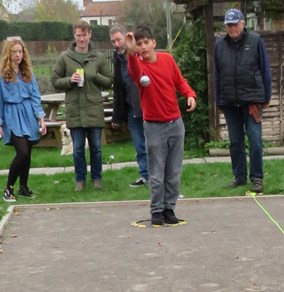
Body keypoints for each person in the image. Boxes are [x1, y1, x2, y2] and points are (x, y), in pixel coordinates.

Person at [125, 25, 197, 225]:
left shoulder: (167, 59)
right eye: (139, 45)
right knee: (156, 172)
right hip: (154, 126)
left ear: (154, 42)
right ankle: (156, 211)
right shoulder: (139, 66)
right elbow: (133, 68)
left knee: (174, 170)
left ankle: (169, 208)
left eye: (146, 42)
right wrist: (130, 51)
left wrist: (190, 94)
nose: (143, 47)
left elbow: (180, 81)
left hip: (175, 123)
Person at [214, 9, 272, 193]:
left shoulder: (256, 41)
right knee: (235, 142)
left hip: (252, 100)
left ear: (242, 24)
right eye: (229, 25)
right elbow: (217, 75)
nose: (232, 28)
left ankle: (257, 178)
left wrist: (267, 97)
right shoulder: (219, 45)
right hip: (230, 102)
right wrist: (219, 100)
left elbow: (266, 70)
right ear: (225, 26)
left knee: (255, 141)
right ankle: (239, 177)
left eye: (235, 24)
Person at [51, 20, 113, 191]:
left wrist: (95, 76)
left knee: (96, 148)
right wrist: (70, 80)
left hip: (93, 109)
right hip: (74, 109)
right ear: (74, 35)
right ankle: (80, 180)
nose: (81, 39)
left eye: (84, 35)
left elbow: (109, 81)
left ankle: (97, 179)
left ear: (90, 35)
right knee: (78, 149)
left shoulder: (98, 57)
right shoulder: (64, 58)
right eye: (78, 35)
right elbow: (55, 81)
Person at [0, 36, 47, 202]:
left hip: (29, 114)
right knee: (22, 152)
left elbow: (35, 96)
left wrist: (41, 118)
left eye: (20, 51)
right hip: (12, 115)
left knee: (28, 152)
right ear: (8, 53)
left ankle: (23, 187)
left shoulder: (27, 72)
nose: (18, 55)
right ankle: (8, 188)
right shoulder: (0, 74)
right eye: (14, 52)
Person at [109, 25, 148, 187]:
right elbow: (119, 88)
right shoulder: (118, 59)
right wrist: (117, 115)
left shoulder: (141, 54)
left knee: (153, 144)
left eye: (119, 39)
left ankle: (159, 176)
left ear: (127, 37)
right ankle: (145, 175)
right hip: (132, 107)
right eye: (113, 41)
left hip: (148, 107)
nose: (117, 44)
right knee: (139, 145)